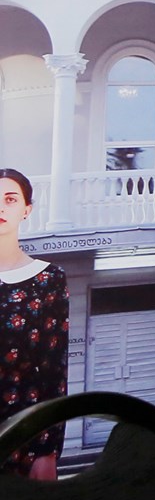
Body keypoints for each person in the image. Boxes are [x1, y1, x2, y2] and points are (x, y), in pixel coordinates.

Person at [0, 168, 68, 481]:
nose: (1, 207)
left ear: (26, 210)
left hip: (21, 439)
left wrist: (47, 451)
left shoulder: (48, 279)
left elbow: (54, 372)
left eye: (10, 199)